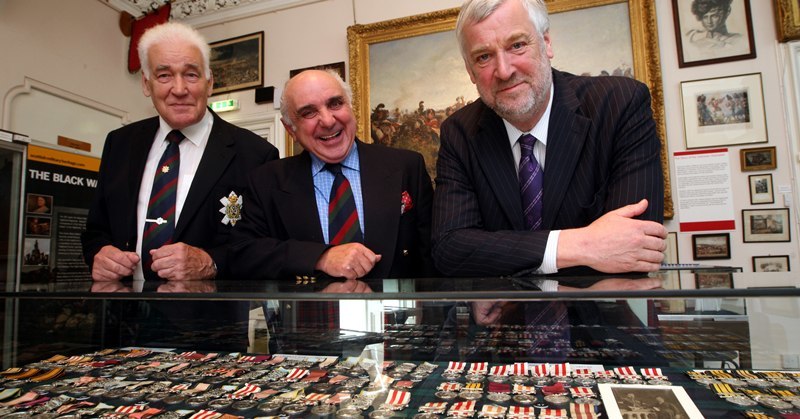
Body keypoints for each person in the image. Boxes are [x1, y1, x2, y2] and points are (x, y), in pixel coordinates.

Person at [432, 0, 667, 277]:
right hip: (508, 316)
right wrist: (583, 244)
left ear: (546, 44)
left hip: (605, 313)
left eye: (517, 45)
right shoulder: (460, 133)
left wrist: (505, 256)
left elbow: (637, 246)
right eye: (483, 57)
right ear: (470, 72)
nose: (505, 70)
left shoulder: (618, 105)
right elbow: (451, 249)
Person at [81, 21, 279, 282]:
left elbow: (264, 249)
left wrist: (212, 262)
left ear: (209, 83)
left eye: (191, 75)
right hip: (125, 315)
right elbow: (96, 229)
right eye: (164, 75)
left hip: (209, 317)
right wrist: (100, 253)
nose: (179, 89)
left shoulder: (256, 154)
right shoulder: (119, 144)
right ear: (146, 84)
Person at [228, 69, 435, 285]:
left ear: (351, 107)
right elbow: (243, 254)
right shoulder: (266, 181)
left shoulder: (407, 166)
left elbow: (430, 258)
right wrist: (320, 257)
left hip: (394, 316)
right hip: (307, 318)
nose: (327, 121)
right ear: (290, 129)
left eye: (335, 103)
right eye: (308, 112)